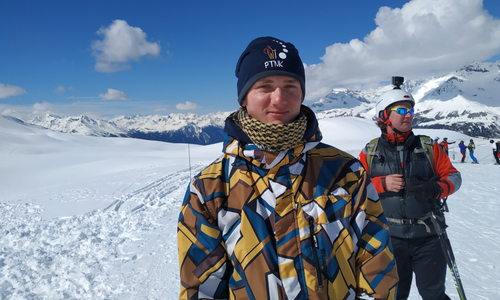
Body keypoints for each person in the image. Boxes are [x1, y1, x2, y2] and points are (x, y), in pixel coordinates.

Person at [177, 36, 398, 299]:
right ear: (244, 98)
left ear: (302, 94)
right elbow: (200, 286)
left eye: (290, 86)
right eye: (264, 86)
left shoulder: (346, 171)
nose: (279, 98)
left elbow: (376, 263)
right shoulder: (210, 187)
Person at [358, 77, 462, 300]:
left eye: (411, 110)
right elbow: (355, 189)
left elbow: (454, 177)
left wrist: (435, 188)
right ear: (384, 115)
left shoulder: (427, 147)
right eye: (402, 109)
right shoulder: (370, 152)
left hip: (429, 236)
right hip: (388, 238)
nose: (409, 114)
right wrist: (382, 184)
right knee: (392, 295)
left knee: (433, 294)